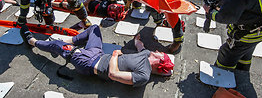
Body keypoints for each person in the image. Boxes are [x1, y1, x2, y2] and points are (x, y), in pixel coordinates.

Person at [20, 24, 174, 87]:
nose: (160, 51)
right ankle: (71, 40)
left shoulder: (143, 75)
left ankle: (32, 42)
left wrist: (115, 56)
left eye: (161, 54)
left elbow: (113, 74)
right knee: (94, 29)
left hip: (89, 64)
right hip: (97, 53)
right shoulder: (146, 54)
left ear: (159, 61)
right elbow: (141, 46)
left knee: (56, 46)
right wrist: (137, 39)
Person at [52, 0, 127, 21]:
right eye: (115, 5)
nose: (115, 6)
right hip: (86, 0)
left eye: (115, 7)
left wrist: (91, 0)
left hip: (82, 4)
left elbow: (83, 7)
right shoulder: (109, 3)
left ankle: (51, 3)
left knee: (65, 4)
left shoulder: (103, 11)